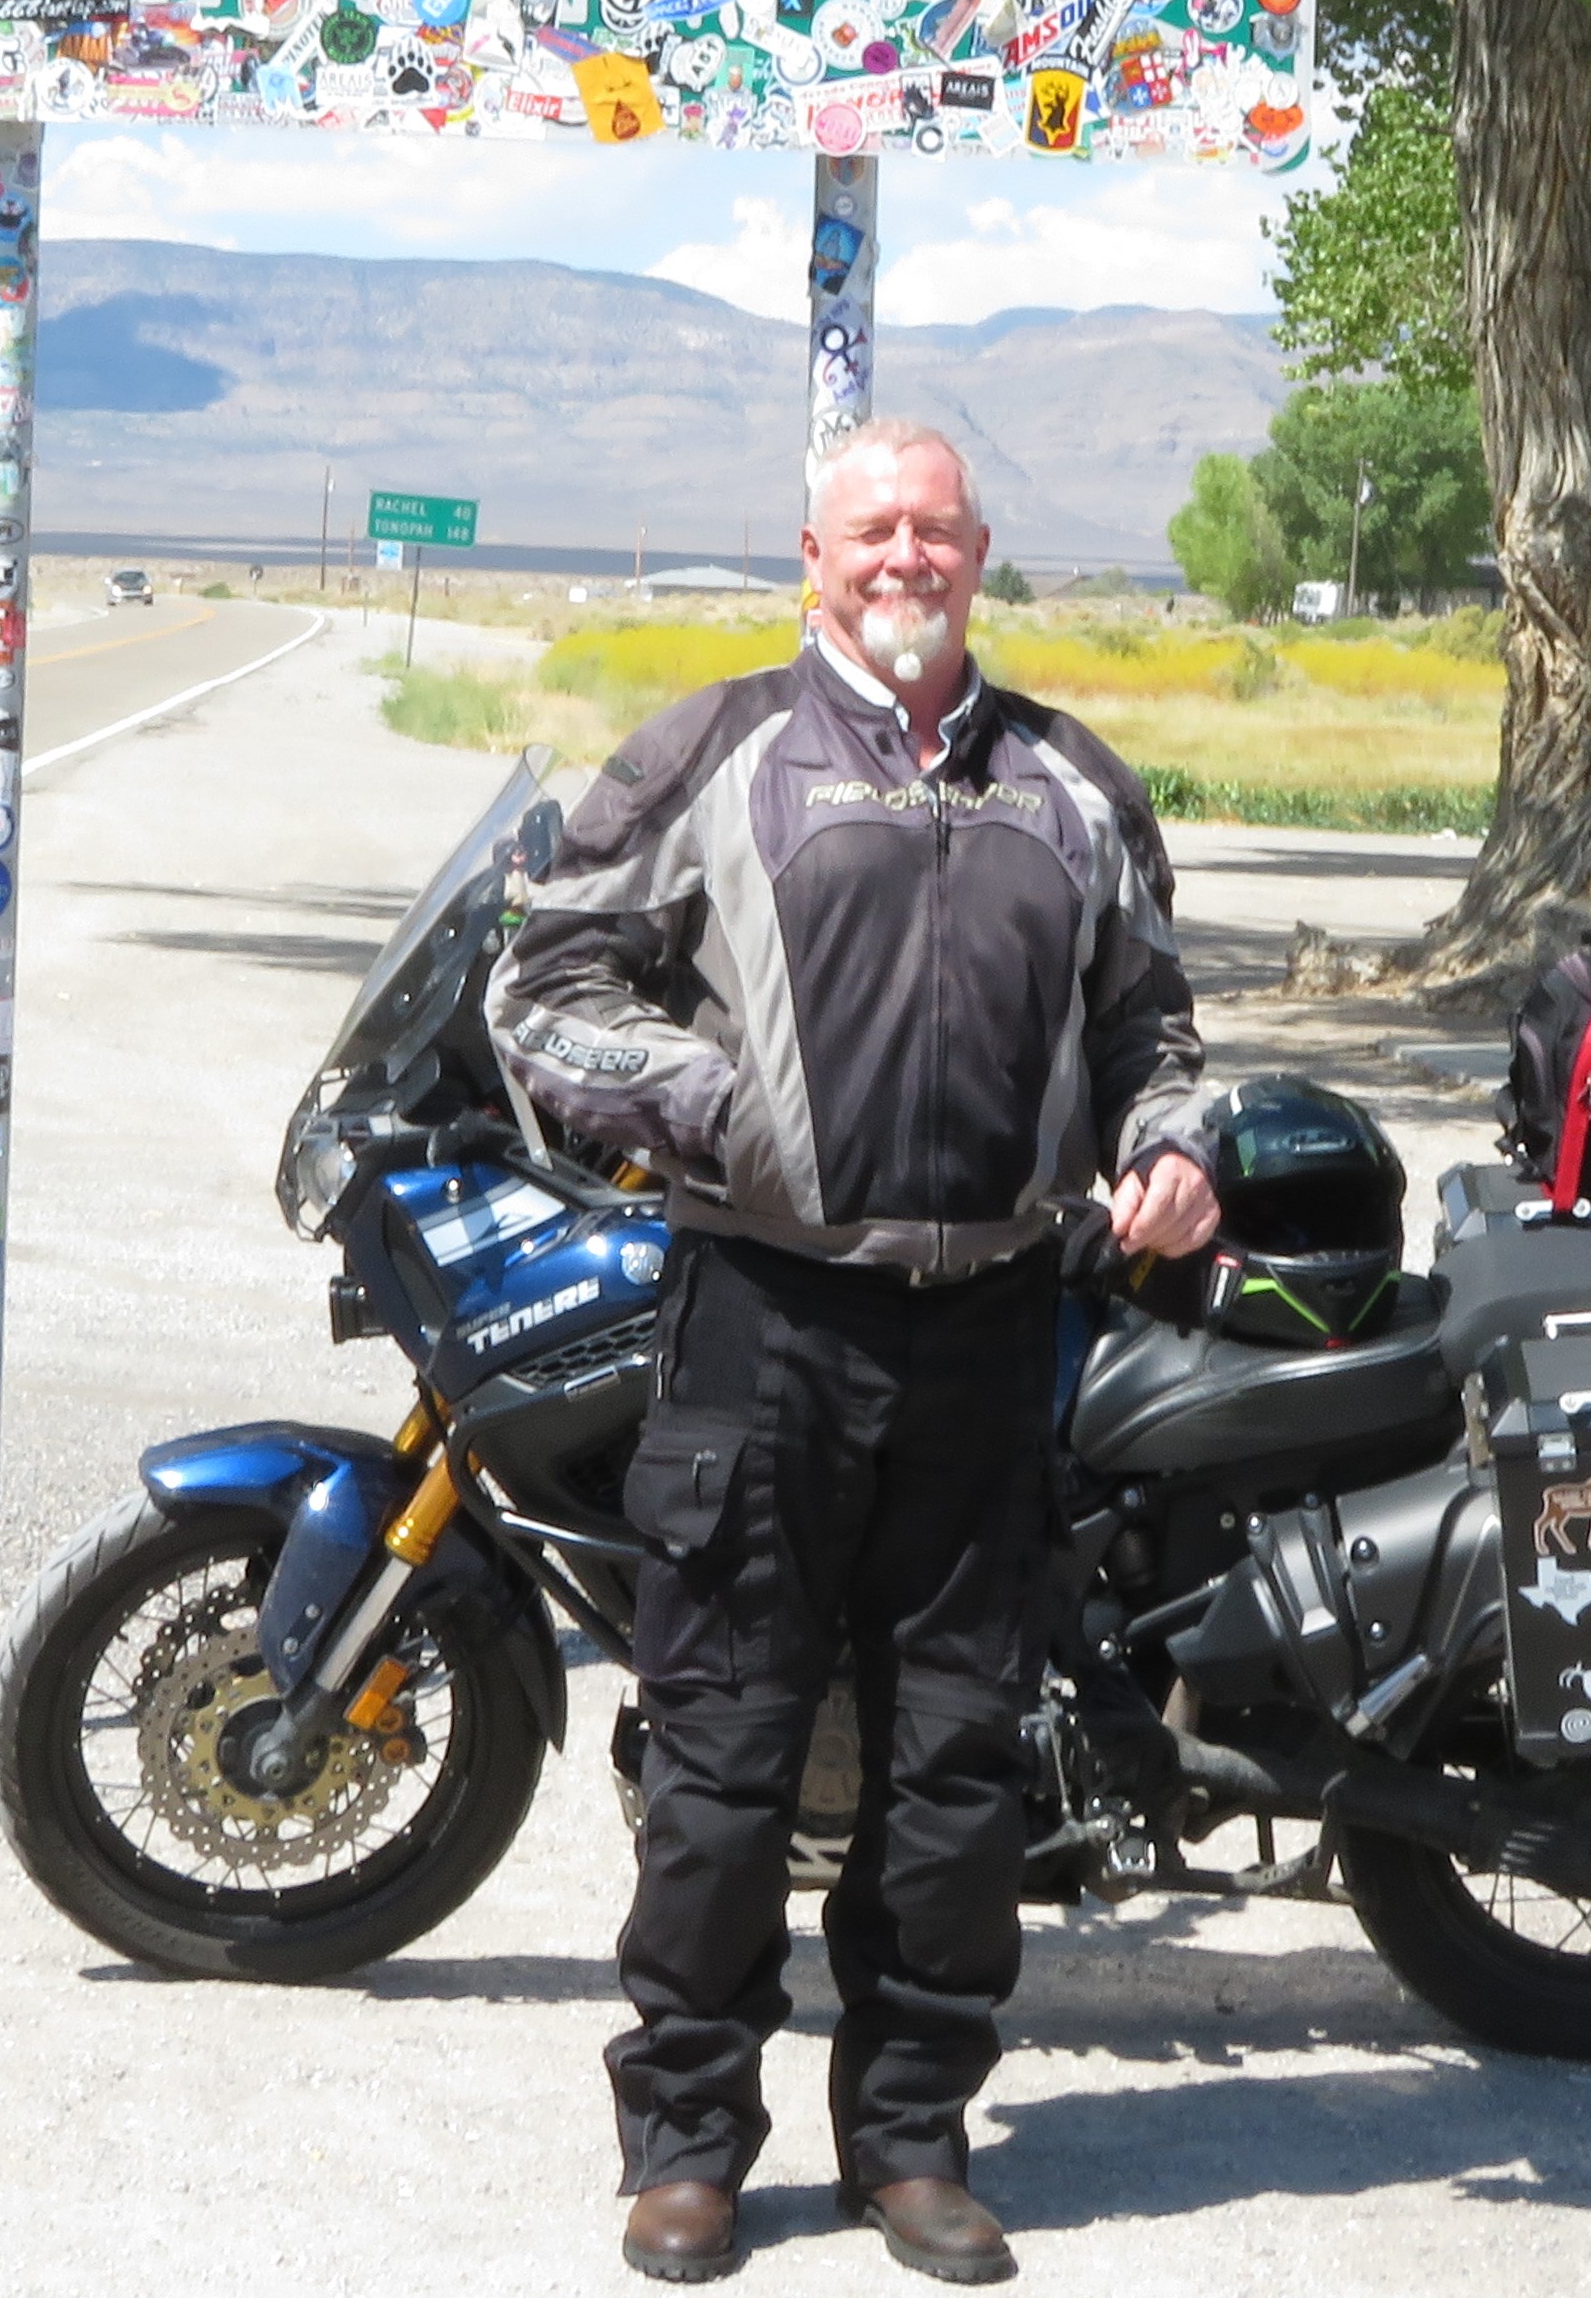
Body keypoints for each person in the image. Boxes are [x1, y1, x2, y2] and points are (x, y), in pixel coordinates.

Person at [485, 420, 1222, 2285]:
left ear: (980, 551)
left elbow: (1152, 1028)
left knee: (956, 1771)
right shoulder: (710, 753)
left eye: (937, 529)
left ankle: (910, 2141)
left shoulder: (1072, 782)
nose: (907, 556)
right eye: (871, 529)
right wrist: (713, 1108)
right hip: (766, 1323)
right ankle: (687, 2145)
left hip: (992, 1328)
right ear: (810, 557)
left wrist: (1169, 1149)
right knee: (723, 1763)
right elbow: (544, 989)